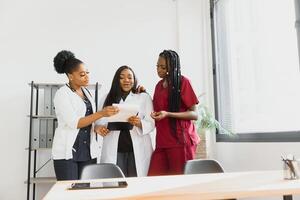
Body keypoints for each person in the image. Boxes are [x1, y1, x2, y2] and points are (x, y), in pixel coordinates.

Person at [52, 50, 119, 180]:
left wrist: (96, 128)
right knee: (69, 192)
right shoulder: (62, 94)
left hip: (87, 152)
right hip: (68, 153)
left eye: (87, 73)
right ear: (70, 76)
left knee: (86, 191)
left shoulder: (87, 92)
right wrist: (101, 113)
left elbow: (89, 119)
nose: (87, 77)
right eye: (82, 74)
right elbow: (75, 123)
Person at [95, 65, 155, 177]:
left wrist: (139, 123)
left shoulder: (144, 98)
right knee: (117, 182)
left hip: (137, 149)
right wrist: (99, 128)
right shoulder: (106, 98)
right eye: (122, 77)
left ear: (134, 79)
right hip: (115, 149)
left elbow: (151, 123)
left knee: (137, 182)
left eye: (130, 77)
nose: (126, 80)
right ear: (117, 80)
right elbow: (98, 121)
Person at [148, 50, 200, 176]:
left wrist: (168, 114)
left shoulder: (183, 82)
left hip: (180, 141)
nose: (158, 70)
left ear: (172, 67)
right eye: (157, 66)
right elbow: (158, 109)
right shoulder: (159, 86)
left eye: (163, 67)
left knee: (180, 182)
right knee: (154, 179)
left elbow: (194, 114)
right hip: (162, 141)